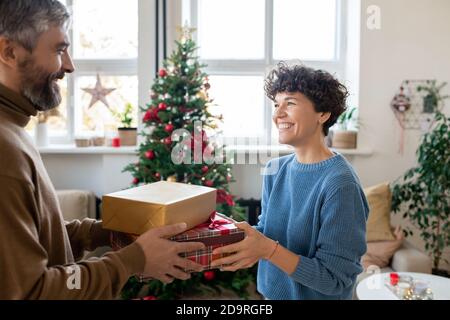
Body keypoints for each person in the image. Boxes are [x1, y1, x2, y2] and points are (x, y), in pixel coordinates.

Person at [0, 0, 205, 300]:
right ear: (9, 52)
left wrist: (104, 232)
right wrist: (133, 259)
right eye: (58, 50)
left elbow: (35, 237)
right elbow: (32, 291)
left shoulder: (14, 129)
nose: (69, 65)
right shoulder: (5, 151)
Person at [211, 62, 369, 300]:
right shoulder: (275, 169)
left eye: (290, 103)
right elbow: (269, 232)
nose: (278, 114)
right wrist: (235, 238)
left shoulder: (340, 184)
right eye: (276, 104)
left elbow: (335, 280)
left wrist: (267, 249)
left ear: (323, 114)